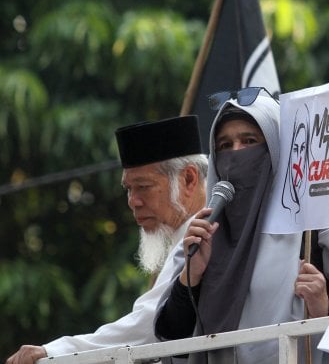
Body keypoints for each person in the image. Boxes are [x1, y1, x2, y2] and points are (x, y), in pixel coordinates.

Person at [154, 88, 329, 364]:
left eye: (249, 141)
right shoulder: (205, 233)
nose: (236, 154)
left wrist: (325, 307)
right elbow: (172, 341)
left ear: (276, 148)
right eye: (224, 145)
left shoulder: (319, 224)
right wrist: (192, 276)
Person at [6, 115, 208, 364]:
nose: (133, 201)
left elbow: (149, 327)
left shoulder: (201, 236)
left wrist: (55, 353)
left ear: (189, 179)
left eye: (143, 186)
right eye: (129, 189)